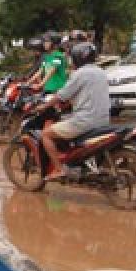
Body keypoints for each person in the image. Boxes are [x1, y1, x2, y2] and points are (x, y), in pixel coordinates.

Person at [42, 42, 110, 180]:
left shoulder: (80, 74)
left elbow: (62, 95)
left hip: (85, 121)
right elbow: (87, 93)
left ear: (78, 58)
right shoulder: (101, 72)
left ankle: (59, 169)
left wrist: (43, 106)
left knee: (46, 134)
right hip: (103, 119)